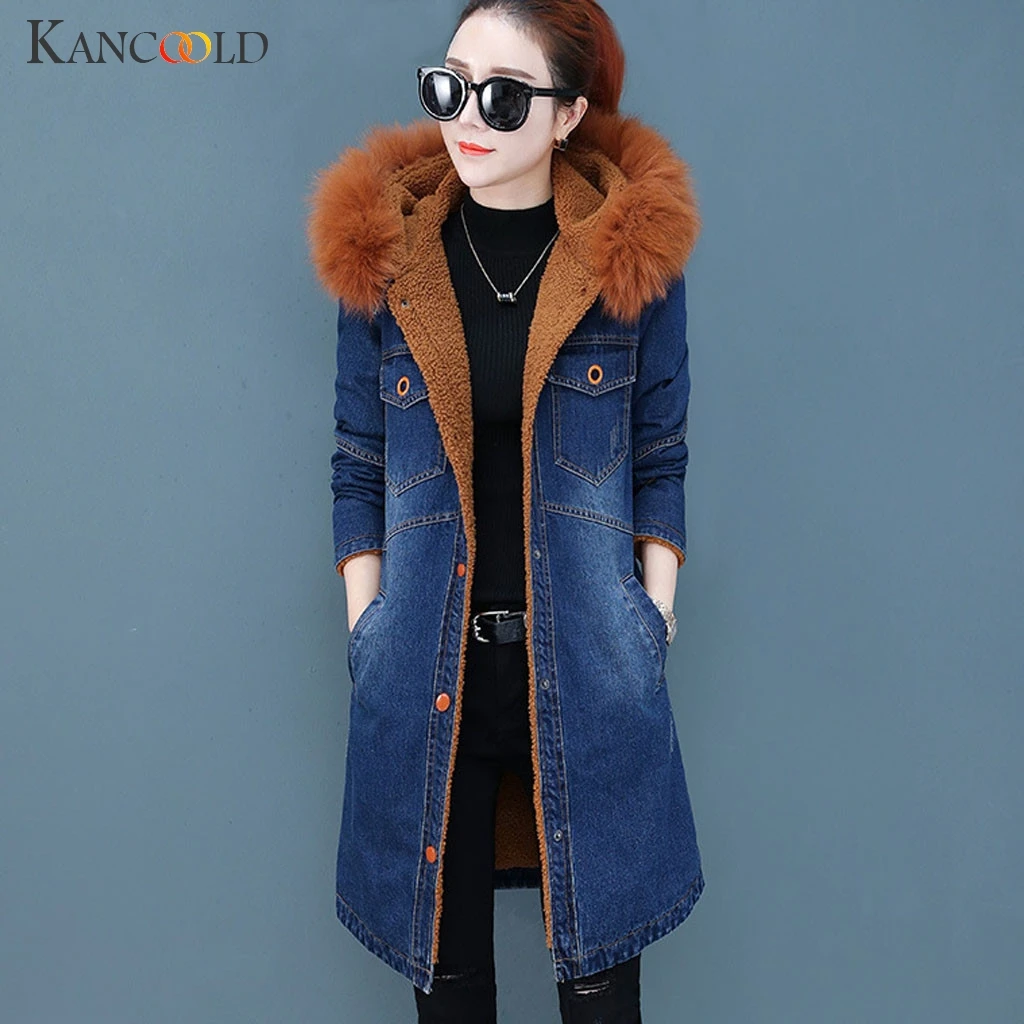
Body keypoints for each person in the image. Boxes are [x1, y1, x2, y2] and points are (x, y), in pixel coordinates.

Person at [306, 1, 705, 1020]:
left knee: (602, 992)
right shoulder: (387, 257)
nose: (467, 119)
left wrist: (652, 617)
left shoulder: (627, 263)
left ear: (568, 114)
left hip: (588, 671)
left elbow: (659, 453)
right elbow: (357, 461)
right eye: (449, 87)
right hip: (427, 675)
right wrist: (368, 627)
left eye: (504, 97)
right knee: (449, 994)